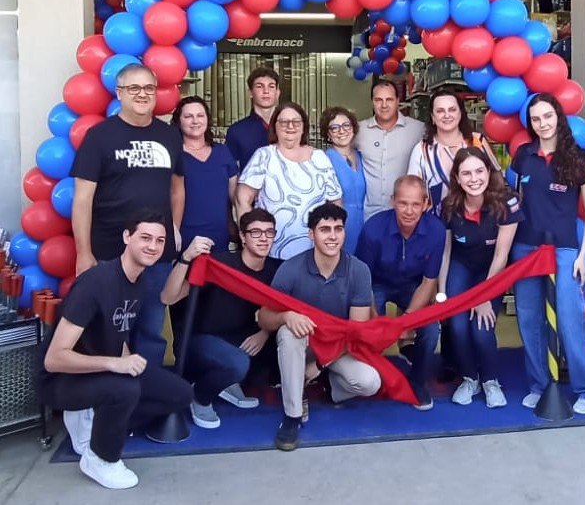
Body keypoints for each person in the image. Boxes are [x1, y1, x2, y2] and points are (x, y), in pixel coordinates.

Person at [38, 210, 192, 490]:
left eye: (159, 240)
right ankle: (100, 458)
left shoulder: (139, 281)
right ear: (127, 237)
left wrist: (127, 362)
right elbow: (54, 359)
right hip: (62, 380)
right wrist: (115, 365)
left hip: (100, 371)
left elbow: (117, 329)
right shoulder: (95, 284)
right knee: (125, 390)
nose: (153, 246)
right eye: (145, 237)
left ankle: (96, 418)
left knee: (180, 393)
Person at [71, 63, 184, 366]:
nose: (142, 94)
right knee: (106, 331)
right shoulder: (99, 136)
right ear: (119, 93)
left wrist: (174, 227)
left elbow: (177, 188)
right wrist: (83, 253)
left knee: (150, 331)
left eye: (148, 88)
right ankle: (111, 392)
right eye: (134, 88)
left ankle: (148, 390)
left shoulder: (170, 136)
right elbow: (82, 199)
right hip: (109, 253)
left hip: (157, 254)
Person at [258, 202, 381, 451]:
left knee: (370, 382)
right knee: (287, 332)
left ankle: (328, 385)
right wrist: (286, 316)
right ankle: (292, 416)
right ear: (311, 234)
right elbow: (263, 318)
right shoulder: (291, 268)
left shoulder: (359, 270)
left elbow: (356, 331)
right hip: (302, 344)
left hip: (337, 348)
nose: (333, 236)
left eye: (338, 229)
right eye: (325, 229)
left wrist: (319, 365)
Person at [510, 92, 585, 414]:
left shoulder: (578, 157)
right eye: (536, 119)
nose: (543, 124)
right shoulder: (524, 155)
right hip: (526, 247)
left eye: (547, 116)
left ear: (559, 117)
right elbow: (519, 199)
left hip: (564, 250)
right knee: (529, 319)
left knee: (570, 319)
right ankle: (539, 385)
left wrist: (582, 255)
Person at [161, 208, 281, 429]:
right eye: (255, 232)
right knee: (237, 364)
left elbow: (284, 310)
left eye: (269, 232)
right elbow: (168, 297)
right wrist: (186, 258)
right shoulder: (219, 264)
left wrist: (264, 333)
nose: (263, 238)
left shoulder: (276, 269)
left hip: (242, 338)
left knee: (278, 348)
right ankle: (199, 396)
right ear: (242, 237)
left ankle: (226, 382)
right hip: (201, 340)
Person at [438, 147, 523, 408]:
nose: (474, 179)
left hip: (492, 271)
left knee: (481, 328)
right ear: (457, 177)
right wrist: (442, 294)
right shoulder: (450, 205)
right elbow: (446, 252)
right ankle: (469, 378)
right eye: (466, 173)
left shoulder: (506, 202)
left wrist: (484, 296)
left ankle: (490, 381)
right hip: (462, 265)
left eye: (479, 171)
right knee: (458, 326)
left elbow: (501, 255)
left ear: (488, 171)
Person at [355, 175, 443, 411]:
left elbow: (429, 282)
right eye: (403, 203)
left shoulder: (436, 230)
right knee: (368, 328)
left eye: (415, 204)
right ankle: (373, 374)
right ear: (393, 200)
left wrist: (407, 322)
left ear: (426, 204)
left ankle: (418, 381)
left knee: (431, 328)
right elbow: (362, 281)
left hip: (413, 285)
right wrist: (378, 321)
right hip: (376, 283)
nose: (409, 211)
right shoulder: (373, 229)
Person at [236, 102, 342, 260]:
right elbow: (242, 199)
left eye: (296, 122)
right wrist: (250, 238)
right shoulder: (264, 156)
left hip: (314, 252)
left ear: (304, 126)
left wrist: (331, 239)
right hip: (271, 251)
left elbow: (335, 202)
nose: (290, 126)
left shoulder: (320, 157)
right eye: (284, 122)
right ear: (275, 126)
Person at [408, 89, 500, 217]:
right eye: (440, 111)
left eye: (452, 110)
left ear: (460, 113)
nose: (447, 115)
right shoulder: (421, 150)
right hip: (436, 223)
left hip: (479, 221)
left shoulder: (478, 141)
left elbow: (497, 180)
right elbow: (412, 191)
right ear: (432, 117)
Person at [171, 95, 237, 252]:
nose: (195, 121)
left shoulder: (222, 152)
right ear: (179, 121)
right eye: (188, 116)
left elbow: (236, 195)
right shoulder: (173, 154)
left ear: (207, 119)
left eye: (200, 115)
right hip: (184, 237)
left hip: (219, 238)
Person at [356, 79, 424, 219]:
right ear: (372, 102)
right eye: (378, 100)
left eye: (389, 100)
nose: (384, 105)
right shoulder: (359, 131)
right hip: (370, 215)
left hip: (405, 215)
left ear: (398, 101)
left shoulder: (418, 129)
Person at [319, 106, 366, 254]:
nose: (341, 131)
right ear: (328, 134)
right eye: (334, 128)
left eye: (346, 125)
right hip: (339, 224)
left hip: (365, 222)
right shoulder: (324, 159)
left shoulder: (361, 156)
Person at [225, 67, 280, 173]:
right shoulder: (236, 131)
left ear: (277, 93)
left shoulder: (289, 128)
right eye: (259, 86)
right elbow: (231, 172)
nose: (266, 91)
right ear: (250, 92)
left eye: (271, 86)